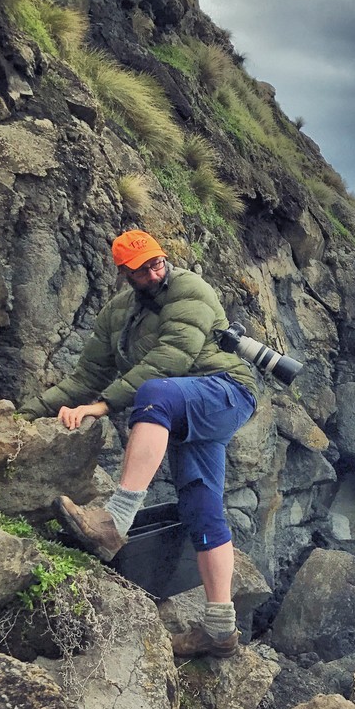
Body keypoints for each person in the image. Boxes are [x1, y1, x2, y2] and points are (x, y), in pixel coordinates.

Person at [19, 230, 258, 659]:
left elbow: (173, 359)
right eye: (142, 268)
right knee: (201, 509)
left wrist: (101, 406)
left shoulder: (189, 288)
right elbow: (85, 376)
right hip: (186, 408)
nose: (154, 270)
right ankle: (220, 630)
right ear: (125, 273)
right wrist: (23, 414)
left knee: (154, 392)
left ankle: (116, 520)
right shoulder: (117, 315)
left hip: (225, 391)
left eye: (157, 261)